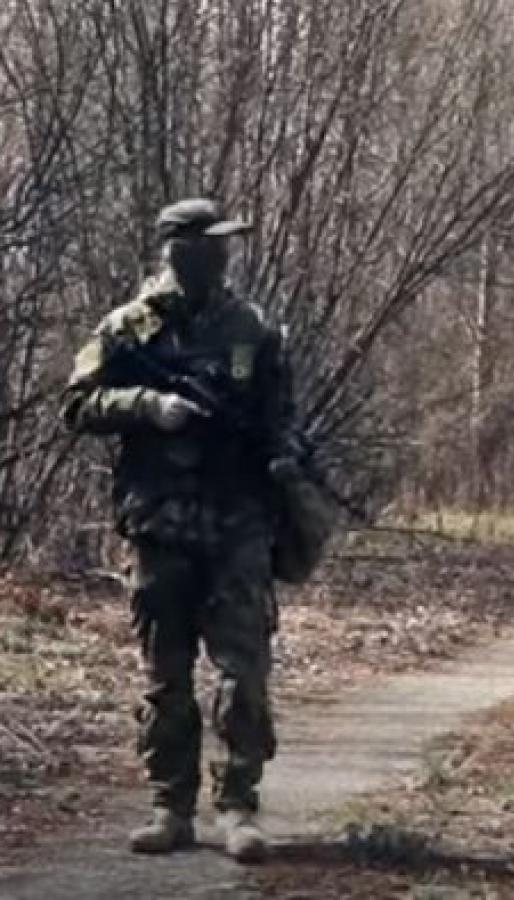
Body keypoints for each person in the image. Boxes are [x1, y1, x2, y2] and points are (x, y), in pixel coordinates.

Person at [61, 198, 294, 863]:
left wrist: (285, 458)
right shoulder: (128, 329)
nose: (224, 255)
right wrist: (149, 406)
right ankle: (170, 806)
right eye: (211, 243)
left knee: (243, 670)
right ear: (178, 250)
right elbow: (76, 404)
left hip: (237, 520)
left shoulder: (251, 327)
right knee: (166, 674)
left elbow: (282, 416)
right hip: (159, 521)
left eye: (226, 243)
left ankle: (238, 805)